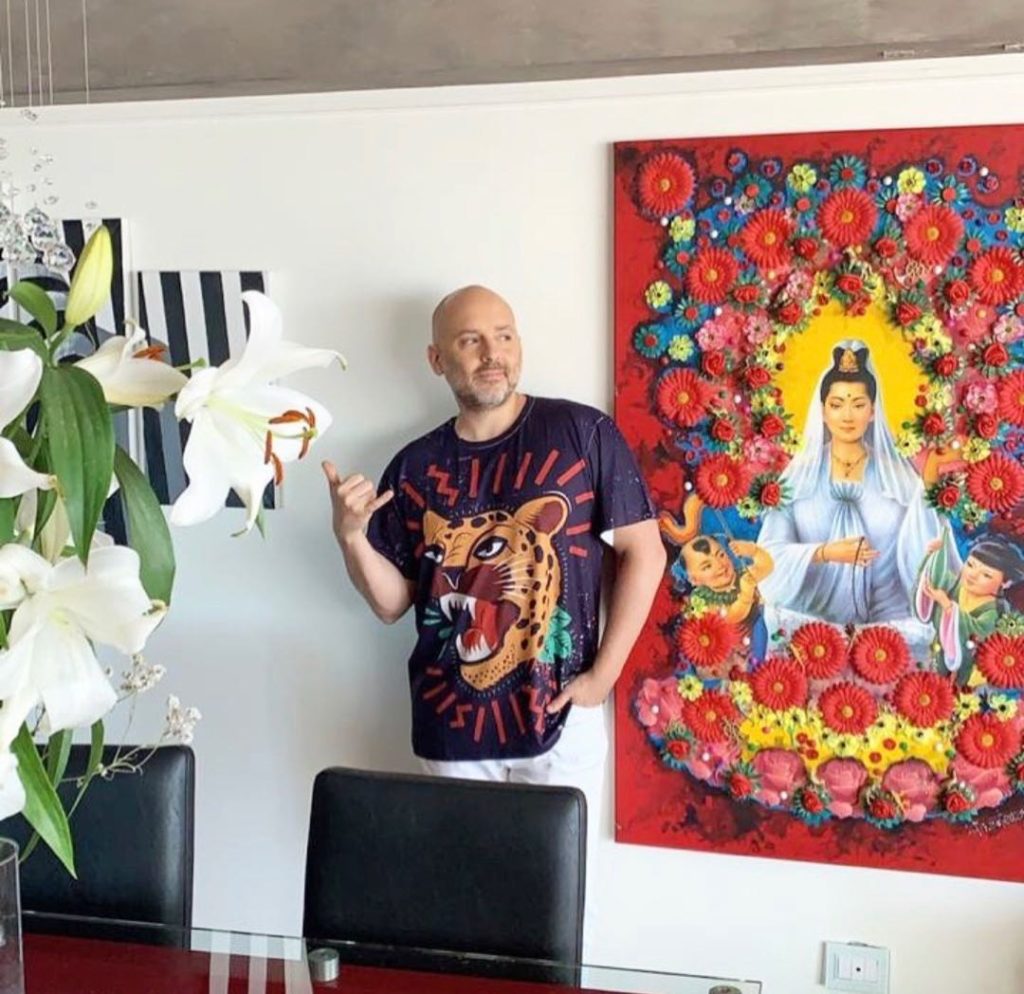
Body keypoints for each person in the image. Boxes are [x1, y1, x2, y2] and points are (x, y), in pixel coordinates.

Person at [323, 285, 664, 818]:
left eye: (504, 336)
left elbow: (646, 552)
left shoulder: (582, 433)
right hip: (450, 729)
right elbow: (392, 604)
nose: (492, 354)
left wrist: (603, 677)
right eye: (470, 340)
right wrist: (350, 536)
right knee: (460, 875)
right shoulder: (413, 467)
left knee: (562, 874)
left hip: (559, 717)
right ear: (437, 359)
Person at [756, 340, 941, 658]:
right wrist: (824, 553)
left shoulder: (898, 477)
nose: (847, 415)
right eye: (837, 404)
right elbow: (768, 557)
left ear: (873, 410)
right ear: (823, 410)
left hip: (887, 634)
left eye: (858, 404)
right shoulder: (798, 476)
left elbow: (923, 550)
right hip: (809, 631)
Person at [914, 531, 1024, 684]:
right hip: (938, 661)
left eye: (986, 575)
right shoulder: (955, 586)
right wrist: (932, 556)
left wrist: (947, 606)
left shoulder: (995, 613)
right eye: (970, 565)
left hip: (968, 677)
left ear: (1005, 583)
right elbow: (934, 582)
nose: (972, 575)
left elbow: (973, 635)